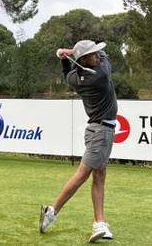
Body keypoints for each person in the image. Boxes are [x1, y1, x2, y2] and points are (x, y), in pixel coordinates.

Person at [39, 40, 118, 243]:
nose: (98, 55)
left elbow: (68, 74)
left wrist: (65, 58)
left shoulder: (76, 78)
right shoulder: (100, 75)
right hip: (101, 132)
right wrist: (70, 54)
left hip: (98, 129)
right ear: (84, 59)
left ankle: (99, 223)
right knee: (83, 174)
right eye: (93, 53)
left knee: (99, 176)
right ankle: (52, 210)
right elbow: (106, 57)